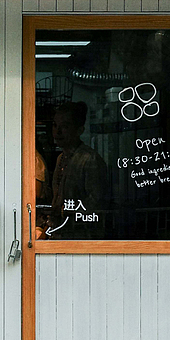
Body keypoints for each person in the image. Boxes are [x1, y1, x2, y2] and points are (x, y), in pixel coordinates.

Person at [48, 100, 109, 239]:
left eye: (65, 126)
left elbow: (97, 202)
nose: (57, 132)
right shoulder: (60, 158)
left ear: (79, 130)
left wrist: (67, 211)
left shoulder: (89, 159)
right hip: (61, 232)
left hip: (82, 236)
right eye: (55, 125)